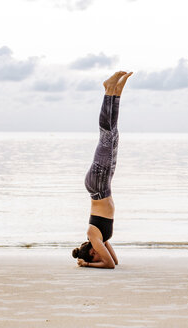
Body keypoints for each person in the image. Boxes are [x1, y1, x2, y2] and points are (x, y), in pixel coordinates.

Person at [72, 71, 133, 269]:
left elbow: (108, 265)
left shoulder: (92, 234)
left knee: (106, 136)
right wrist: (98, 256)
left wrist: (87, 265)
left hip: (98, 186)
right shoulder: (102, 239)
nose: (100, 256)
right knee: (113, 136)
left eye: (95, 257)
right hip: (103, 185)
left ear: (92, 252)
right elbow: (113, 261)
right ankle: (116, 93)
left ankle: (108, 90)